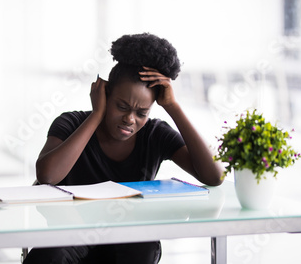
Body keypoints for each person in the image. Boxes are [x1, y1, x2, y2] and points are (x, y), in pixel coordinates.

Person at [23, 33, 224, 264]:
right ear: (105, 95)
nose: (130, 119)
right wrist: (97, 115)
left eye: (141, 113)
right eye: (121, 107)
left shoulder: (154, 134)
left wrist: (173, 106)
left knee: (144, 246)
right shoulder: (71, 123)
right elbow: (47, 175)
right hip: (71, 235)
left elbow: (214, 175)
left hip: (129, 240)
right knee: (49, 256)